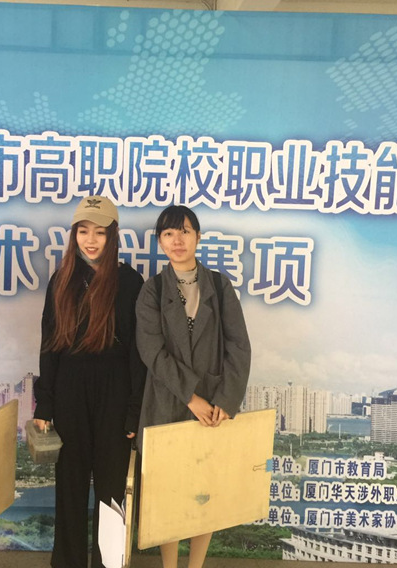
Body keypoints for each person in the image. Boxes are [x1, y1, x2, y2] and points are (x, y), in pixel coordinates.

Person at [33, 195, 145, 568]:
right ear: (74, 235)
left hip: (115, 391)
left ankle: (107, 563)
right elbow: (49, 344)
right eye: (83, 231)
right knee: (70, 485)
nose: (91, 240)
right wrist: (45, 404)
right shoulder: (61, 280)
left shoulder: (130, 282)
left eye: (99, 232)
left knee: (111, 492)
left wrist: (134, 410)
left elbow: (138, 353)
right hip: (69, 389)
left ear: (113, 236)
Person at [135, 205, 251, 568]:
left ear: (198, 237)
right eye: (169, 233)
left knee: (205, 493)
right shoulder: (152, 290)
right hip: (166, 403)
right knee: (167, 495)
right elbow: (151, 352)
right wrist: (190, 396)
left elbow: (239, 347)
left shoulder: (219, 286)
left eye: (184, 231)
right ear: (160, 242)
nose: (177, 240)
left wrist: (225, 401)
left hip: (212, 408)